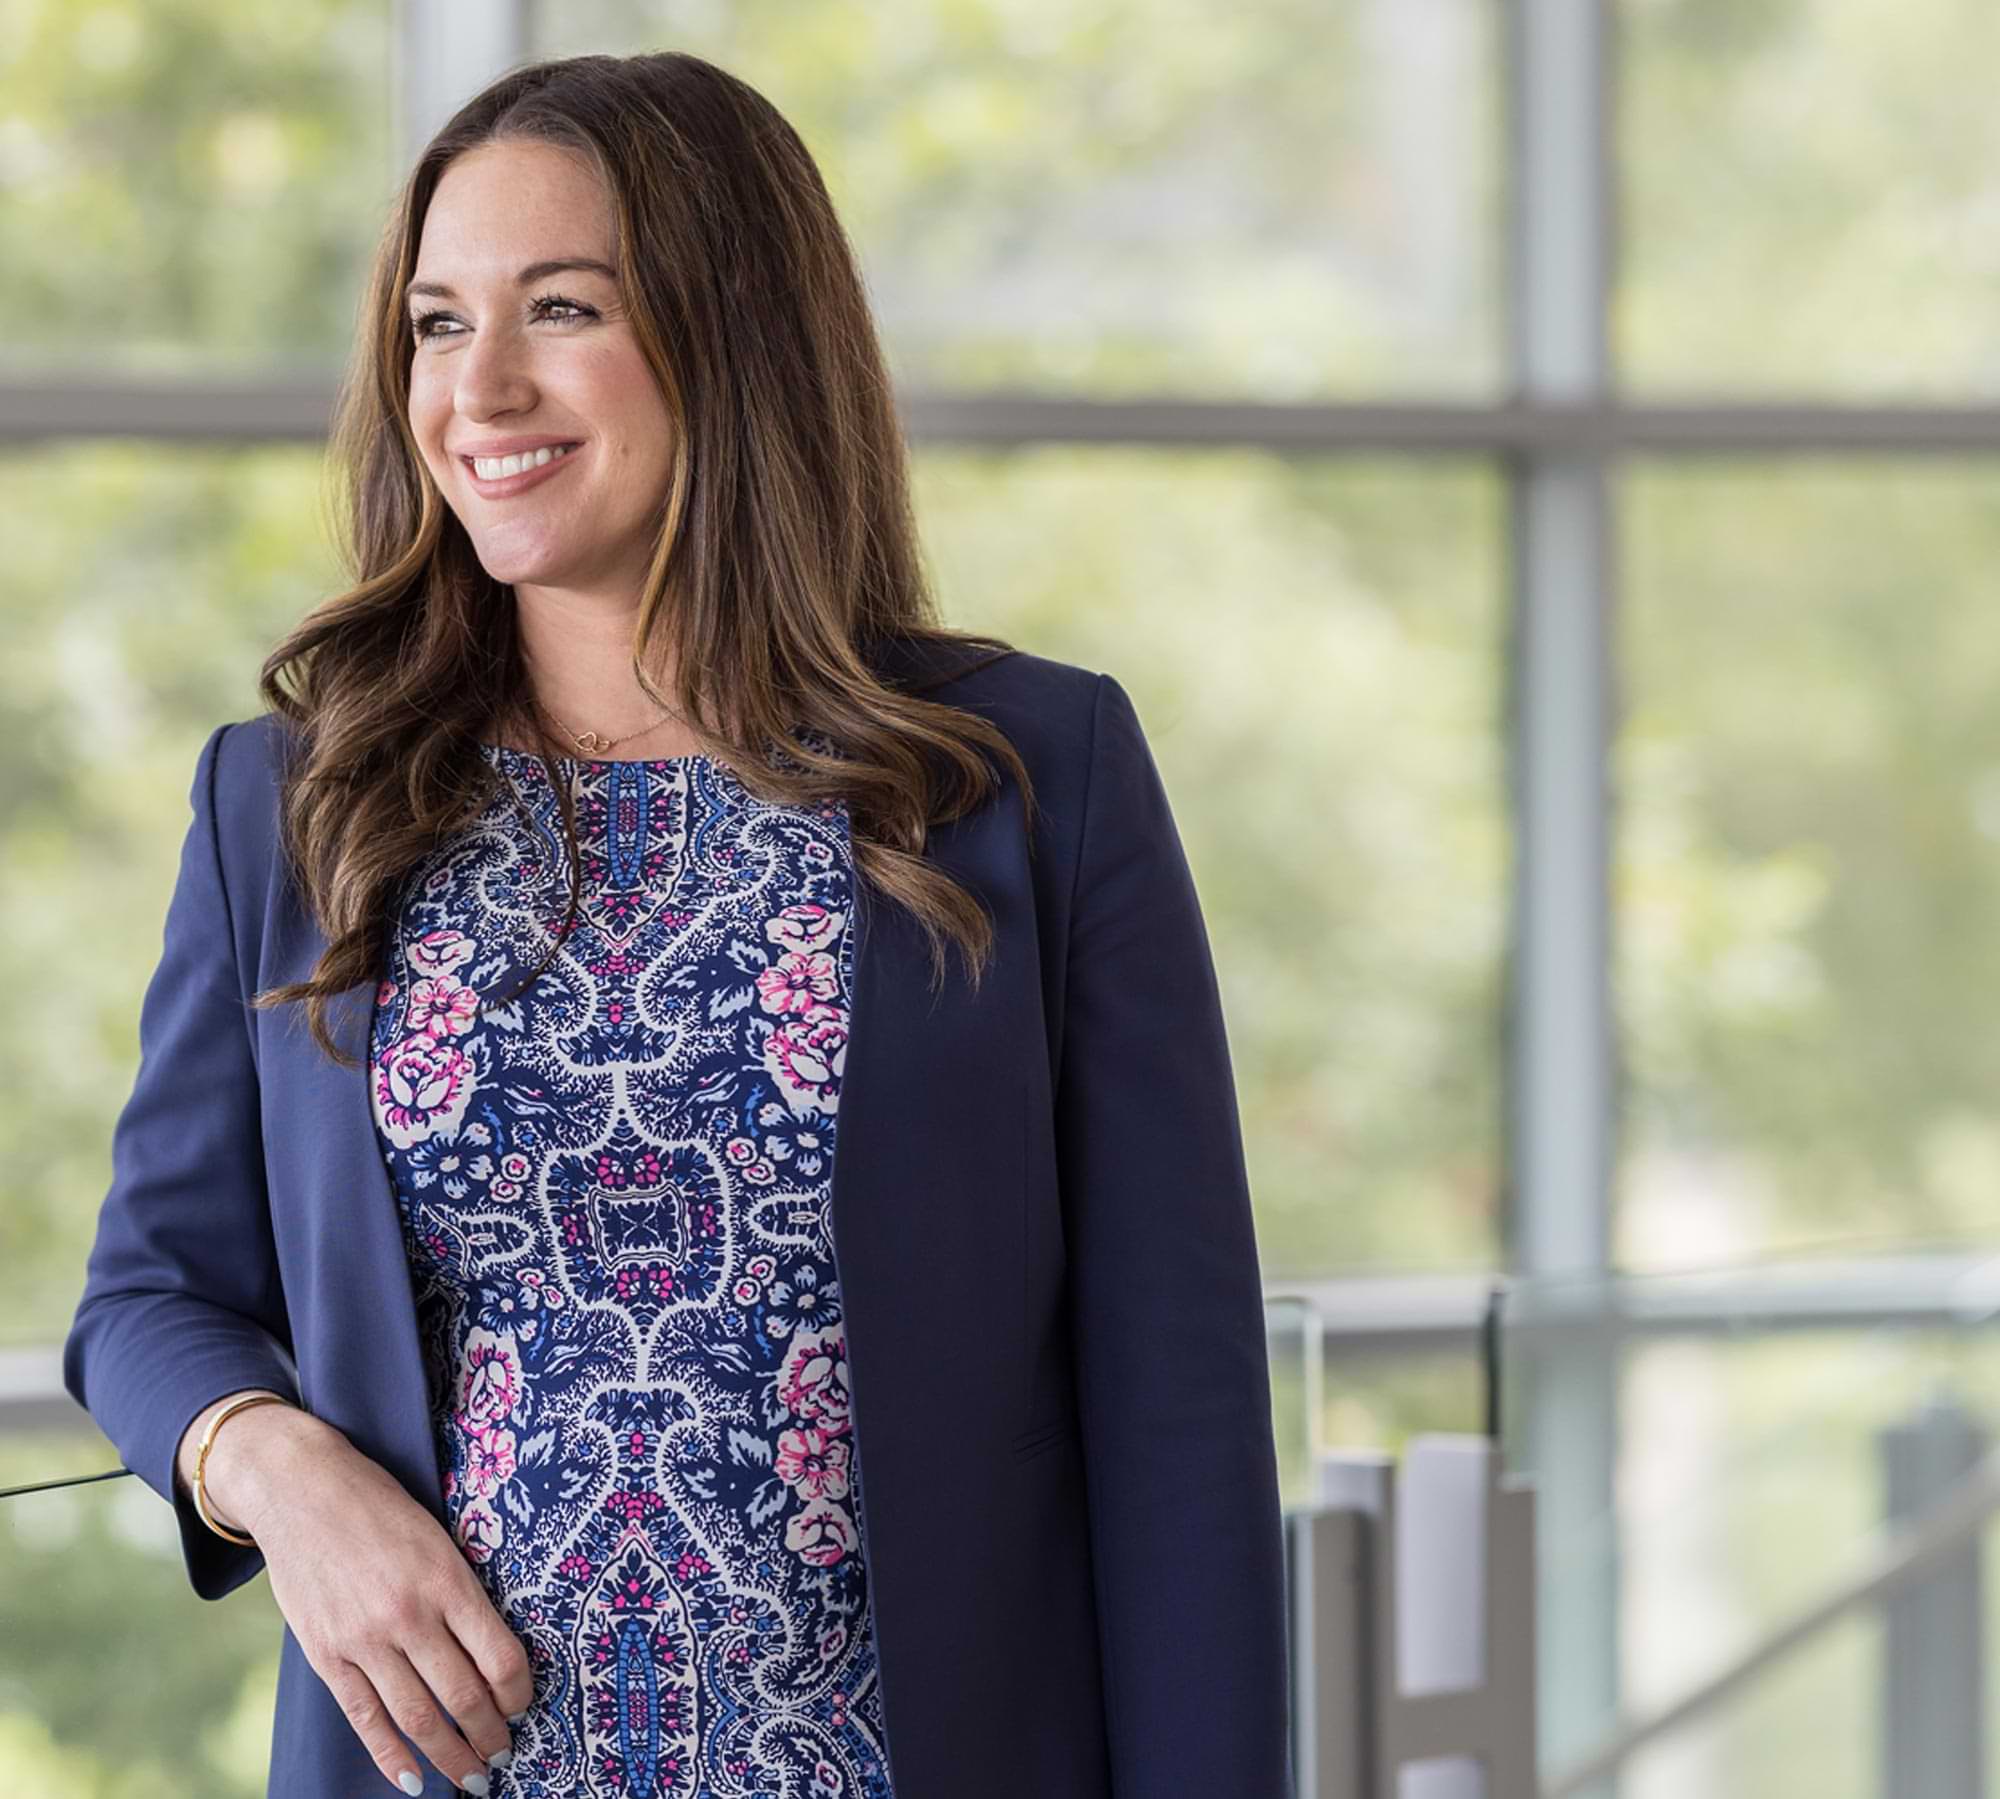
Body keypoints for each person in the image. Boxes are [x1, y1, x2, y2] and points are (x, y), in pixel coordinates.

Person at [62, 50, 1288, 1799]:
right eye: (433, 321)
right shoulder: (293, 805)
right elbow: (148, 1297)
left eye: (560, 308)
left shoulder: (1030, 776)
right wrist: (276, 1470)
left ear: (736, 334)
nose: (478, 386)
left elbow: (1179, 1424)